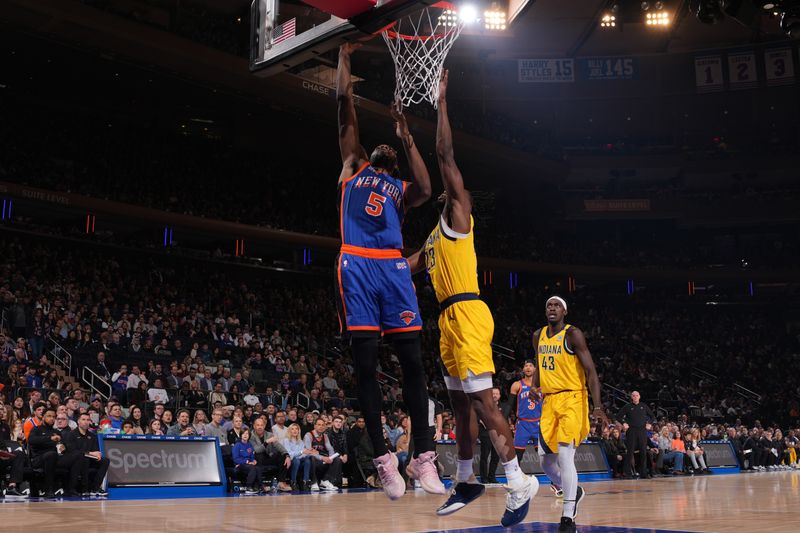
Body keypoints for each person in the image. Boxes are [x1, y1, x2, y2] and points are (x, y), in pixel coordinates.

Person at [405, 69, 535, 526]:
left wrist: (440, 101)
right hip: (446, 321)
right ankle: (466, 480)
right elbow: (403, 265)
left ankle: (519, 482)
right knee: (459, 406)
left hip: (469, 311)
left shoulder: (459, 218)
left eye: (454, 189)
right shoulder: (433, 239)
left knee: (484, 404)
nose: (449, 189)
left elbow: (444, 154)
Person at [335, 42, 439, 501]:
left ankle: (423, 456)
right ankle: (383, 459)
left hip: (393, 266)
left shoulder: (399, 187)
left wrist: (407, 135)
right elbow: (344, 111)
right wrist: (344, 59)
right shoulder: (353, 166)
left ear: (391, 161)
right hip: (357, 261)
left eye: (387, 149)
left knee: (414, 362)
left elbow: (428, 186)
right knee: (365, 365)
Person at [533, 296, 608, 533]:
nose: (551, 308)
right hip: (549, 400)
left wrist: (597, 407)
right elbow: (540, 362)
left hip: (573, 398)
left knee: (565, 456)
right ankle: (573, 491)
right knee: (545, 461)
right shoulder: (538, 335)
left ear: (564, 311)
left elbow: (591, 372)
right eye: (548, 305)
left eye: (556, 306)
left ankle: (567, 516)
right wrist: (536, 386)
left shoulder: (572, 334)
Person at [28, 407, 89, 497]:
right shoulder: (37, 429)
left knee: (78, 455)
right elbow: (31, 440)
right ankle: (49, 489)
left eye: (53, 417)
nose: (52, 418)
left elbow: (62, 446)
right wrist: (49, 438)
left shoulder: (56, 431)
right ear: (43, 417)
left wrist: (64, 448)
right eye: (49, 416)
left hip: (55, 458)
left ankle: (71, 488)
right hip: (39, 459)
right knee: (51, 455)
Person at [63, 413, 110, 496]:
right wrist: (91, 453)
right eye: (83, 419)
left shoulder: (92, 436)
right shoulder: (71, 434)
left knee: (105, 460)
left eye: (88, 420)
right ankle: (84, 488)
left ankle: (95, 488)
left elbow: (95, 451)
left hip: (88, 458)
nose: (86, 422)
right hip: (75, 460)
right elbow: (72, 451)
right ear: (78, 421)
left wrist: (97, 455)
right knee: (84, 458)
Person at [616, 391, 656, 479]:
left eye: (636, 395)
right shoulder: (627, 406)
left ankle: (644, 473)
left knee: (643, 452)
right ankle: (627, 473)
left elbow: (652, 416)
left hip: (642, 431)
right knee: (630, 452)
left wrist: (649, 423)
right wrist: (623, 423)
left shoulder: (643, 406)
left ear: (639, 396)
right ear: (631, 397)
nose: (635, 397)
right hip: (631, 431)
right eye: (633, 396)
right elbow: (618, 416)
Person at [303, 418, 343, 492]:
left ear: (325, 427)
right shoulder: (308, 435)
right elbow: (308, 451)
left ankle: (325, 481)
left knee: (337, 459)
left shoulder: (325, 436)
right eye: (319, 425)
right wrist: (323, 458)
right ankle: (313, 482)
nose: (321, 427)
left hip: (322, 459)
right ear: (314, 426)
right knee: (312, 458)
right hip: (313, 459)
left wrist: (330, 458)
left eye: (322, 425)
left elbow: (330, 449)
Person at [477, 388, 503, 484]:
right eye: (493, 393)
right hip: (486, 434)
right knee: (484, 457)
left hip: (499, 436)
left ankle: (492, 477)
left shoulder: (502, 407)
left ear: (499, 396)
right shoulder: (484, 406)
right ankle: (483, 478)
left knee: (495, 457)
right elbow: (481, 420)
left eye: (497, 393)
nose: (495, 395)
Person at [233, 428, 265, 494]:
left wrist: (253, 461)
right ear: (241, 435)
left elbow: (252, 456)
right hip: (240, 464)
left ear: (249, 435)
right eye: (243, 433)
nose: (245, 435)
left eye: (247, 433)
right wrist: (247, 462)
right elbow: (235, 459)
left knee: (258, 468)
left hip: (248, 464)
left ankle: (259, 486)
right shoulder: (237, 445)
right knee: (252, 468)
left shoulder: (249, 445)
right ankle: (248, 487)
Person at [282, 423, 312, 490]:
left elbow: (303, 454)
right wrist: (301, 452)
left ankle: (305, 481)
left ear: (299, 431)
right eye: (292, 429)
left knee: (307, 460)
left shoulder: (301, 441)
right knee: (296, 460)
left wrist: (309, 452)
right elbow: (290, 454)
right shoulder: (286, 440)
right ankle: (293, 481)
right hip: (290, 461)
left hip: (299, 460)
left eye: (296, 429)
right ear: (289, 431)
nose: (295, 430)